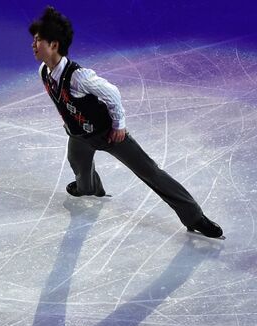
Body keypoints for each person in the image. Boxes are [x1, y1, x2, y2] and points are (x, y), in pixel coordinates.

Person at [29, 6, 223, 238]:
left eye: (38, 40)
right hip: (79, 136)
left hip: (107, 134)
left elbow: (112, 93)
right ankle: (90, 189)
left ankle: (195, 217)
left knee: (151, 172)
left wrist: (119, 126)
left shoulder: (78, 76)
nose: (33, 45)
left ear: (54, 45)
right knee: (78, 166)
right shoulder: (44, 71)